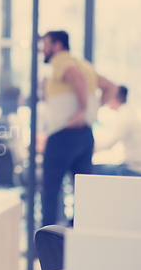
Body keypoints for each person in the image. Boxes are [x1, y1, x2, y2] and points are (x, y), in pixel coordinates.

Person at [40, 30, 117, 226]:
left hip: (63, 136)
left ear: (58, 46)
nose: (43, 49)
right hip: (85, 136)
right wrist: (92, 109)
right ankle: (79, 241)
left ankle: (45, 248)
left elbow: (76, 77)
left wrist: (83, 109)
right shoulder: (85, 65)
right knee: (83, 195)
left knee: (50, 193)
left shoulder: (61, 61)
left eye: (46, 44)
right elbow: (110, 87)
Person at [93, 85, 141, 176]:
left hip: (134, 169)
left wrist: (89, 148)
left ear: (113, 98)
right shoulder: (129, 112)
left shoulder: (124, 116)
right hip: (134, 165)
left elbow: (108, 143)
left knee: (93, 170)